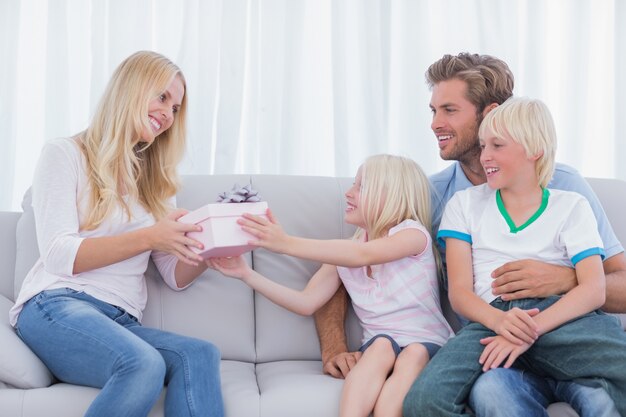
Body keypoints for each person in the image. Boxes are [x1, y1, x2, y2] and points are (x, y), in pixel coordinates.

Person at [316, 52, 626, 415]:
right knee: (479, 394)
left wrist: (563, 279)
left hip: (564, 329)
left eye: (449, 110)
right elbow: (353, 258)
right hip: (490, 343)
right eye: (432, 111)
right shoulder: (435, 197)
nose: (434, 124)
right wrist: (335, 346)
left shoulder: (566, 188)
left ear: (490, 113)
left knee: (601, 395)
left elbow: (613, 285)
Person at [10, 51, 224, 417]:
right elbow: (60, 254)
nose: (168, 114)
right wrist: (151, 236)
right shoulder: (64, 154)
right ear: (131, 89)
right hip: (56, 307)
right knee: (143, 364)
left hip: (119, 321)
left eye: (175, 108)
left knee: (199, 354)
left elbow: (173, 276)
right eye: (162, 97)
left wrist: (209, 250)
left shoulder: (156, 182)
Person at [403, 97, 626, 416]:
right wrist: (502, 323)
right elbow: (460, 293)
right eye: (482, 146)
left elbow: (594, 289)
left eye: (497, 145)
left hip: (562, 317)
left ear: (534, 149)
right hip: (492, 321)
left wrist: (528, 331)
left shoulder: (572, 205)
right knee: (423, 401)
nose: (485, 157)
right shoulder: (464, 205)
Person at [208, 154, 454, 417]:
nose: (349, 193)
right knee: (380, 346)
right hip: (380, 347)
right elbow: (305, 302)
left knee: (414, 352)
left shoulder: (412, 234)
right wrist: (246, 274)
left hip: (428, 344)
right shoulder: (345, 253)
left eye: (361, 186)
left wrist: (285, 243)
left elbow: (364, 255)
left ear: (392, 195)